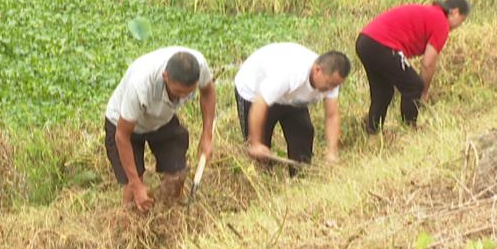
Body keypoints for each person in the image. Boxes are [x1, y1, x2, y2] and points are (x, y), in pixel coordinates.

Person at [104, 47, 216, 212]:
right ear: (165, 77)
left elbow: (208, 92)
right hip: (124, 124)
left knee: (177, 174)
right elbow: (122, 136)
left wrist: (207, 135)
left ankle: (169, 215)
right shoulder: (141, 84)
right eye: (178, 92)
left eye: (188, 93)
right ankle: (130, 227)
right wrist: (136, 184)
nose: (183, 98)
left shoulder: (199, 64)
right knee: (132, 190)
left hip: (162, 119)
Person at [356, 0, 470, 133]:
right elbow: (428, 63)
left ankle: (372, 132)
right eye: (461, 21)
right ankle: (410, 129)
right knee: (414, 86)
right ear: (455, 12)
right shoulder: (441, 22)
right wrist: (424, 91)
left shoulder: (431, 14)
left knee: (383, 91)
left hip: (365, 42)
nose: (458, 26)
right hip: (382, 43)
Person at [234, 44, 350, 173]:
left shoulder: (331, 80)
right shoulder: (292, 72)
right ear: (317, 70)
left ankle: (300, 179)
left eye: (335, 85)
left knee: (303, 135)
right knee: (260, 150)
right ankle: (265, 178)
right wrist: (255, 143)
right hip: (255, 93)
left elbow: (332, 115)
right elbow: (260, 104)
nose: (331, 89)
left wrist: (332, 151)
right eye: (330, 84)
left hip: (290, 97)